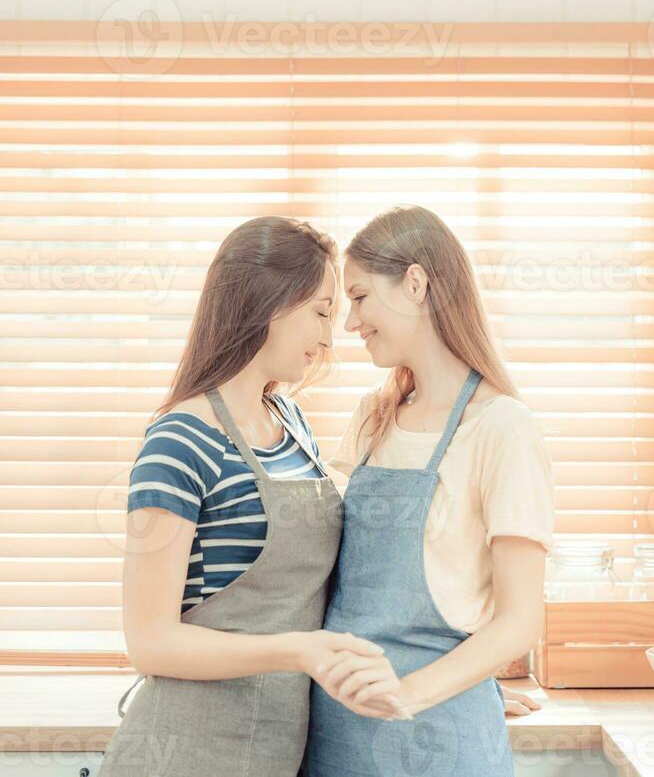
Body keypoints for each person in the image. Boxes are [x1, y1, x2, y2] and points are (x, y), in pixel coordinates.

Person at [98, 216, 405, 777]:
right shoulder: (180, 441)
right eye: (320, 312)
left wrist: (435, 683)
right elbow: (150, 641)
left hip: (271, 751)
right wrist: (298, 651)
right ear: (268, 302)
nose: (327, 336)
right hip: (183, 752)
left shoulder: (289, 421)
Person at [301, 204, 555, 777]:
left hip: (439, 739)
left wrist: (420, 693)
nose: (349, 324)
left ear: (414, 283)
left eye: (360, 297)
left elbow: (519, 620)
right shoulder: (375, 416)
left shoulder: (502, 428)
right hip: (337, 733)